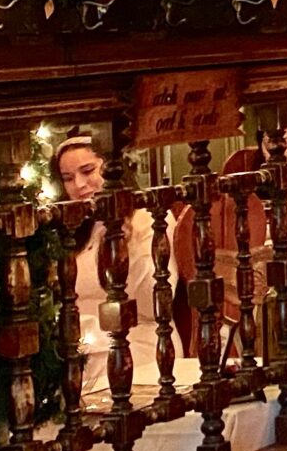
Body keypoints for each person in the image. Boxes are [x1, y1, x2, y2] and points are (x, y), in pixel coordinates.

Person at [54, 136, 190, 401]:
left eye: (88, 171)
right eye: (68, 178)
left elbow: (154, 304)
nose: (79, 185)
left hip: (141, 349)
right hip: (83, 354)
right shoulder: (74, 230)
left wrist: (123, 247)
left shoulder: (149, 220)